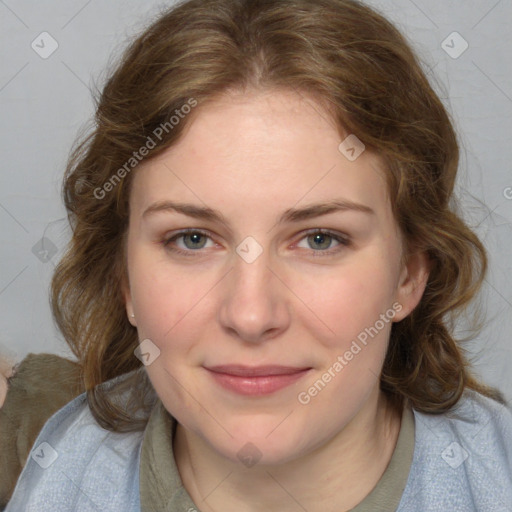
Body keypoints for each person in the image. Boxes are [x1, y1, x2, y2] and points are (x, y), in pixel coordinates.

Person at [4, 0, 512, 510]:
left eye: (320, 239)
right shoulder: (53, 456)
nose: (251, 315)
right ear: (125, 279)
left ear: (409, 274)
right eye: (192, 239)